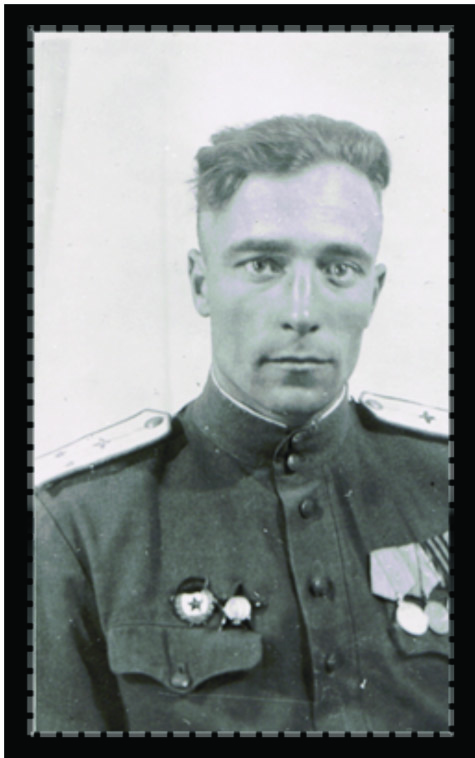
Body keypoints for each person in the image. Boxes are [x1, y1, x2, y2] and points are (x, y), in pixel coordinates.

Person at [34, 114, 449, 733]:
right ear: (202, 283)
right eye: (263, 265)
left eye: (339, 269)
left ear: (374, 290)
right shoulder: (78, 524)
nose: (301, 311)